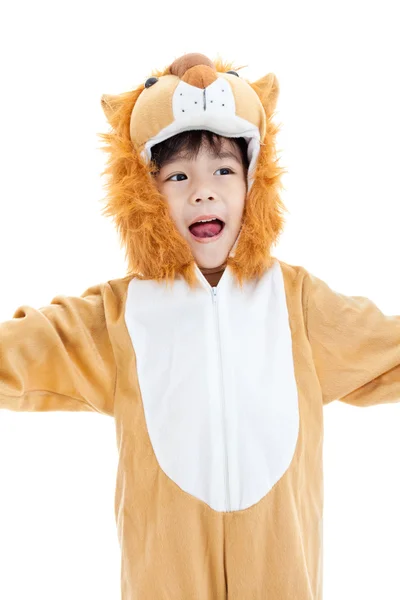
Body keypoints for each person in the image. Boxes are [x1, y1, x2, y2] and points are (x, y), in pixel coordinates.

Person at [1, 51, 400, 600]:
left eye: (223, 171)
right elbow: (23, 351)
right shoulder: (120, 316)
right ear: (145, 194)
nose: (203, 190)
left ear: (252, 185)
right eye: (178, 175)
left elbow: (388, 348)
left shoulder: (296, 303)